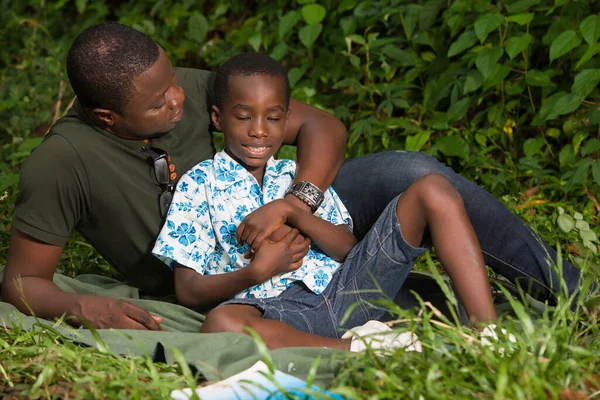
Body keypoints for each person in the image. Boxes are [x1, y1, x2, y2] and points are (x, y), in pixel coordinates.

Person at [0, 22, 590, 332]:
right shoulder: (63, 162)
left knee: (416, 171)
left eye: (175, 80)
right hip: (234, 270)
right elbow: (24, 281)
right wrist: (85, 309)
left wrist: (296, 201)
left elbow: (323, 128)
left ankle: (576, 293)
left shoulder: (175, 86)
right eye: (157, 103)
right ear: (108, 116)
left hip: (304, 212)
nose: (178, 98)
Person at [151, 52, 498, 351]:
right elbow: (188, 289)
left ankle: (488, 335)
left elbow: (348, 249)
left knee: (432, 188)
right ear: (217, 118)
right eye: (244, 117)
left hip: (351, 289)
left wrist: (291, 210)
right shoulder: (199, 184)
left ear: (287, 120)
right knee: (221, 323)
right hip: (278, 312)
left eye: (272, 118)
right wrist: (256, 271)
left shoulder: (296, 177)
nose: (259, 130)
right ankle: (359, 348)